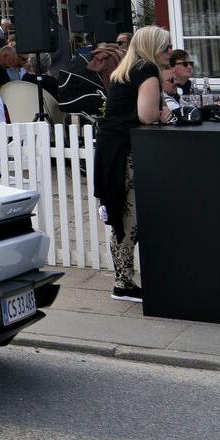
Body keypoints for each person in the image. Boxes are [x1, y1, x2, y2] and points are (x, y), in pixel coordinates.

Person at [93, 26, 173, 303]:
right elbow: (147, 115)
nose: (169, 53)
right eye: (165, 48)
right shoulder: (146, 71)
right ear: (153, 48)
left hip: (110, 147)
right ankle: (123, 283)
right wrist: (161, 115)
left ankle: (123, 279)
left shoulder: (127, 69)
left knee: (121, 215)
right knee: (130, 218)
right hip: (124, 150)